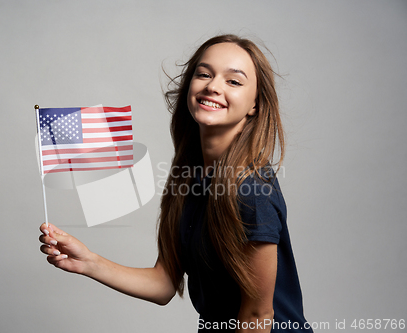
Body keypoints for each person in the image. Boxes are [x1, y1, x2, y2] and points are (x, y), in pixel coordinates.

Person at [39, 34, 313, 332]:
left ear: (255, 106)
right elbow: (164, 283)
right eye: (204, 74)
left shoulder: (252, 190)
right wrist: (88, 262)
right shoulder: (190, 182)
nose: (213, 86)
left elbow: (258, 316)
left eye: (233, 81)